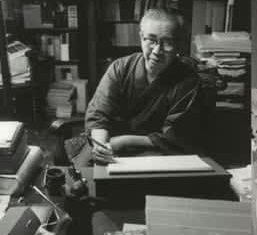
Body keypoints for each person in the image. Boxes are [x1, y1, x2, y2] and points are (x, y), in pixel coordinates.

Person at [85, 8, 204, 164]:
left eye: (168, 42)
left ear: (179, 44)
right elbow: (99, 113)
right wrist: (100, 146)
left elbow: (176, 135)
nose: (157, 51)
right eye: (151, 40)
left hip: (160, 153)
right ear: (141, 37)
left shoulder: (188, 81)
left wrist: (125, 141)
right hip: (110, 147)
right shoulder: (120, 68)